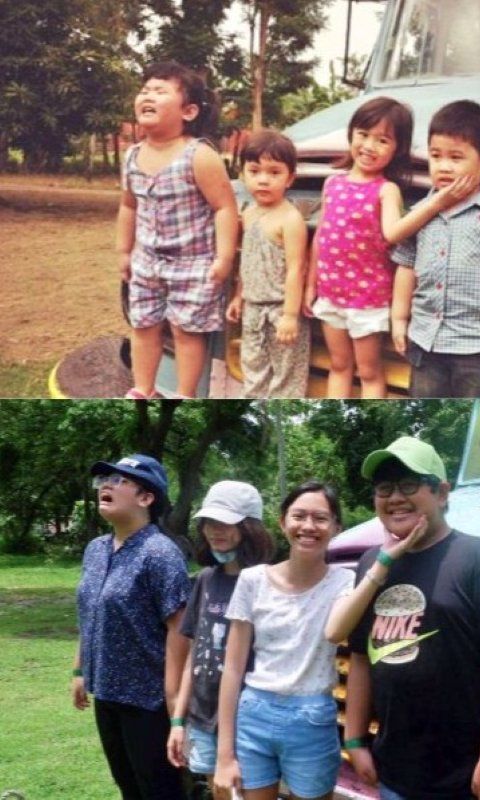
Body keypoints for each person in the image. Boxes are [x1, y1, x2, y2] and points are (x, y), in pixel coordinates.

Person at [325, 436, 480, 800]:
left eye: (409, 485)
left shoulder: (478, 558)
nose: (395, 497)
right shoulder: (373, 563)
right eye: (384, 488)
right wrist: (354, 739)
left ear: (442, 493)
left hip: (469, 775)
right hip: (397, 773)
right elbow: (360, 655)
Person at [304, 96, 475, 399]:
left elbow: (393, 233)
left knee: (369, 372)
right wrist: (310, 285)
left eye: (382, 140)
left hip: (367, 300)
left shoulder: (386, 189)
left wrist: (437, 202)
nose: (369, 146)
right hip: (330, 295)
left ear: (396, 149)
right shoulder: (333, 184)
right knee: (339, 365)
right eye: (363, 134)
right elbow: (321, 237)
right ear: (351, 134)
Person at [213, 481, 355, 800]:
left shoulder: (346, 582)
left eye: (320, 518)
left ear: (336, 527)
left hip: (312, 716)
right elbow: (232, 669)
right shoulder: (253, 581)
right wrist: (224, 756)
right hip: (254, 713)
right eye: (298, 516)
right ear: (282, 522)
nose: (308, 526)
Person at [391, 99, 480, 398]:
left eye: (456, 157)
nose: (443, 166)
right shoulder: (419, 213)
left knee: (478, 411)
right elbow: (405, 268)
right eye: (435, 156)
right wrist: (398, 319)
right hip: (426, 342)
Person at [117, 61, 238, 399]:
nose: (148, 95)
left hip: (194, 264)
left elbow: (224, 207)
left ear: (188, 111)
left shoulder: (198, 155)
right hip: (146, 261)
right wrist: (124, 251)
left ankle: (184, 395)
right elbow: (129, 206)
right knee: (143, 326)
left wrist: (224, 258)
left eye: (160, 91)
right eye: (145, 90)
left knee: (186, 332)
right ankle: (143, 389)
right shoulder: (132, 156)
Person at [72, 453, 190, 800]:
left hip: (147, 702)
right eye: (102, 480)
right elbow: (89, 611)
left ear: (146, 497)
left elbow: (179, 631)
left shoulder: (160, 553)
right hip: (105, 693)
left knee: (160, 790)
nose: (105, 486)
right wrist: (79, 670)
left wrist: (174, 705)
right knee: (128, 786)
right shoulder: (95, 550)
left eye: (119, 480)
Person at [167, 481, 274, 797]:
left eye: (226, 523)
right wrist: (177, 721)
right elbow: (193, 654)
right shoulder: (204, 580)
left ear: (249, 527)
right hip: (202, 715)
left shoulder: (267, 581)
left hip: (248, 718)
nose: (215, 531)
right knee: (219, 790)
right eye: (209, 523)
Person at [226, 130, 310, 397]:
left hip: (280, 311)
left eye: (274, 173)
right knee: (253, 369)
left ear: (290, 178)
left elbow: (298, 268)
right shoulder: (248, 214)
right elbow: (247, 260)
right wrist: (239, 296)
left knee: (286, 376)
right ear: (243, 174)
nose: (263, 180)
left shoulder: (290, 219)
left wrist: (290, 315)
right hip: (253, 308)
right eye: (255, 171)